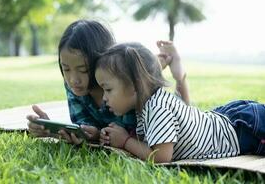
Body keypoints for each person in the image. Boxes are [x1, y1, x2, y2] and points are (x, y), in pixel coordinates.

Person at [96, 41, 265, 163]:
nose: (104, 98)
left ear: (135, 86)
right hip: (230, 120)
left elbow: (161, 157)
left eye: (108, 89)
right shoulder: (148, 104)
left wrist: (125, 141)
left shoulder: (157, 107)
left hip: (244, 130)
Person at [26, 19, 173, 145]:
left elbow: (132, 131)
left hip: (134, 70)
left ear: (99, 63)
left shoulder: (122, 87)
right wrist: (53, 130)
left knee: (146, 71)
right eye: (66, 69)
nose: (73, 80)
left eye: (83, 70)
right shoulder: (74, 86)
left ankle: (162, 60)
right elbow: (82, 123)